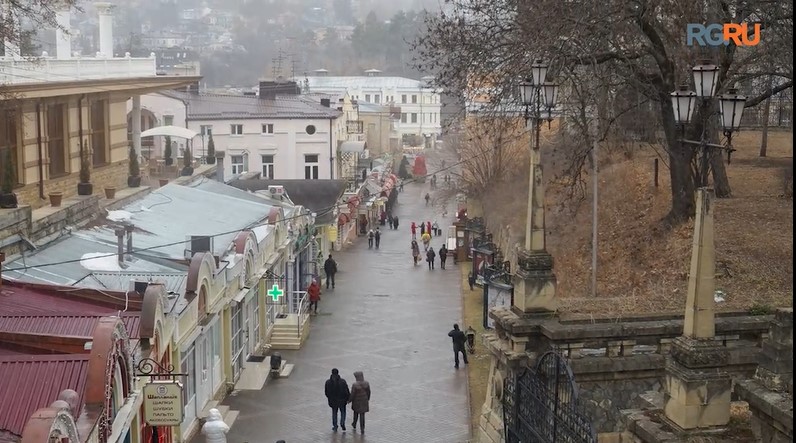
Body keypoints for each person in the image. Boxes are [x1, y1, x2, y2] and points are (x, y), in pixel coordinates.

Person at [325, 368, 350, 432]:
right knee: (343, 412)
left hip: (333, 401)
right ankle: (342, 422)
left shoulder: (328, 382)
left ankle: (335, 426)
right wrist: (348, 398)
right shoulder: (343, 381)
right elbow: (346, 391)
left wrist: (330, 398)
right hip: (342, 401)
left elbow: (326, 392)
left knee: (334, 413)